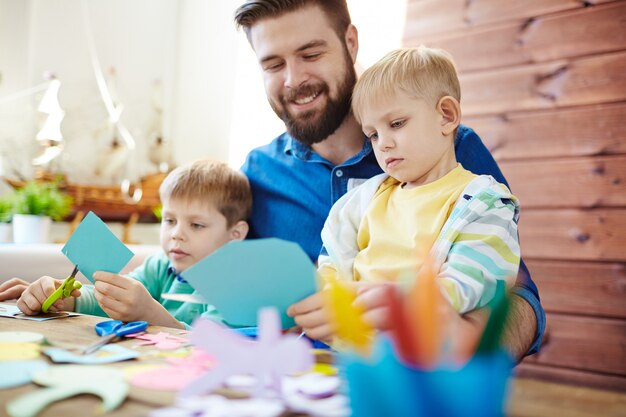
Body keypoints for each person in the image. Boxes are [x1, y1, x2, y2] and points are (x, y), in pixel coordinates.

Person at [234, 0, 544, 359]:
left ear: (350, 41)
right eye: (273, 64)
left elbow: (517, 297)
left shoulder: (454, 149)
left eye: (311, 53)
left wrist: (459, 339)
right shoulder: (257, 173)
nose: (293, 80)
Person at [318, 45, 520, 320]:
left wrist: (404, 306)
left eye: (397, 123)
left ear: (447, 116)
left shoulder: (482, 201)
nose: (384, 144)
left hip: (421, 343)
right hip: (352, 338)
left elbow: (476, 277)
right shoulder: (366, 199)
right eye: (373, 135)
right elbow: (332, 260)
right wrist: (329, 302)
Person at [15, 160, 252, 329]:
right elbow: (113, 299)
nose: (176, 234)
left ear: (235, 234)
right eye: (169, 220)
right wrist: (66, 297)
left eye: (197, 225)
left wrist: (149, 313)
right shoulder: (161, 265)